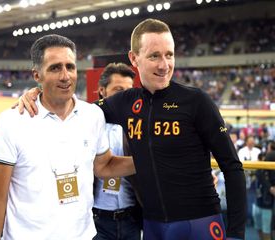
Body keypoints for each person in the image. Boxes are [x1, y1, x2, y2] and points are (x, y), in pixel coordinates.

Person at [17, 19, 246, 239]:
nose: (164, 65)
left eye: (169, 55)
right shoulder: (125, 102)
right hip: (152, 226)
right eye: (154, 56)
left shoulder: (197, 101)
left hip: (200, 223)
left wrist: (236, 234)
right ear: (134, 58)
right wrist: (37, 92)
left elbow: (232, 167)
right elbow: (77, 108)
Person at [0, 34, 134, 240]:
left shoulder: (93, 115)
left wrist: (152, 160)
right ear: (37, 75)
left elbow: (104, 166)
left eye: (70, 67)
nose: (65, 76)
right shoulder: (11, 122)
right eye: (55, 68)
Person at [93, 62, 142, 240]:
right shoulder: (86, 123)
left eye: (129, 91)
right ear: (102, 91)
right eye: (118, 90)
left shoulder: (140, 125)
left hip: (131, 219)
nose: (125, 97)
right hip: (96, 221)